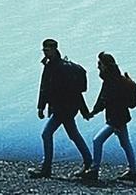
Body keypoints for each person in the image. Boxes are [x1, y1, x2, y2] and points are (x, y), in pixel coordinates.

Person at [27, 38, 92, 179]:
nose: (45, 52)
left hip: (63, 109)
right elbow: (44, 87)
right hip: (61, 108)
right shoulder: (49, 65)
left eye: (47, 49)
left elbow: (74, 91)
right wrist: (41, 107)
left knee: (46, 134)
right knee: (73, 135)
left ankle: (46, 168)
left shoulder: (60, 67)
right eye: (44, 49)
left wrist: (83, 109)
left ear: (55, 49)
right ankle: (89, 162)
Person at [80, 52, 136, 183]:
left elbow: (105, 100)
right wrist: (93, 112)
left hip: (116, 119)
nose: (98, 66)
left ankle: (94, 170)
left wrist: (94, 113)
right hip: (120, 118)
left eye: (100, 64)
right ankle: (132, 172)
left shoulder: (112, 81)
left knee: (97, 140)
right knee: (125, 144)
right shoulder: (114, 79)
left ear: (106, 65)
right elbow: (103, 100)